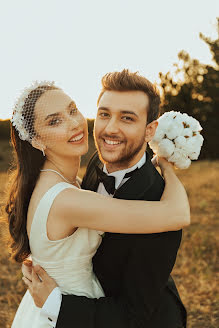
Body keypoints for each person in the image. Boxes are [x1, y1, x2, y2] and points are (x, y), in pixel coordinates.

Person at [7, 74, 189, 328]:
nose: (74, 124)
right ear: (36, 139)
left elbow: (137, 311)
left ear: (150, 130)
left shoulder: (71, 176)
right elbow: (178, 213)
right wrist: (168, 168)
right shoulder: (68, 195)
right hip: (68, 313)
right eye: (55, 121)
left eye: (73, 110)